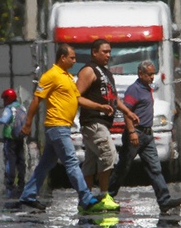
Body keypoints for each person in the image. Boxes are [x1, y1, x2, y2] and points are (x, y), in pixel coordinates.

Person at [18, 43, 116, 214]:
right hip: (56, 126)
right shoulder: (51, 76)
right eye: (72, 58)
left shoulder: (69, 77)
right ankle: (86, 198)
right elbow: (36, 100)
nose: (75, 61)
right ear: (62, 58)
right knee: (71, 162)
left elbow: (78, 99)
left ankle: (28, 195)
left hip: (63, 127)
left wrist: (100, 106)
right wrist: (28, 123)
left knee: (45, 165)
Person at [108, 60, 181, 213]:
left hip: (148, 135)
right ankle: (108, 196)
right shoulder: (134, 90)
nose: (152, 77)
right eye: (149, 75)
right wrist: (131, 132)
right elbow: (127, 112)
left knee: (155, 168)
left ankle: (164, 201)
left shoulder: (147, 88)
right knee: (123, 167)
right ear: (140, 74)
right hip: (136, 133)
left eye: (152, 74)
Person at [76, 39, 139, 211]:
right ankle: (104, 195)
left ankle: (86, 201)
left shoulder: (106, 73)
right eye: (104, 51)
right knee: (109, 155)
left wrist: (128, 112)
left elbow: (114, 98)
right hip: (93, 122)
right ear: (94, 52)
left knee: (91, 161)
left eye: (110, 52)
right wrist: (98, 106)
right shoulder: (89, 71)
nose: (108, 55)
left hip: (103, 122)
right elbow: (76, 96)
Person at [0, 88, 26, 198]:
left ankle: (10, 184)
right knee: (20, 160)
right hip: (20, 136)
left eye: (4, 99)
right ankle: (22, 182)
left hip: (9, 137)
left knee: (10, 161)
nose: (3, 102)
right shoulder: (21, 107)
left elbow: (5, 120)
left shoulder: (9, 108)